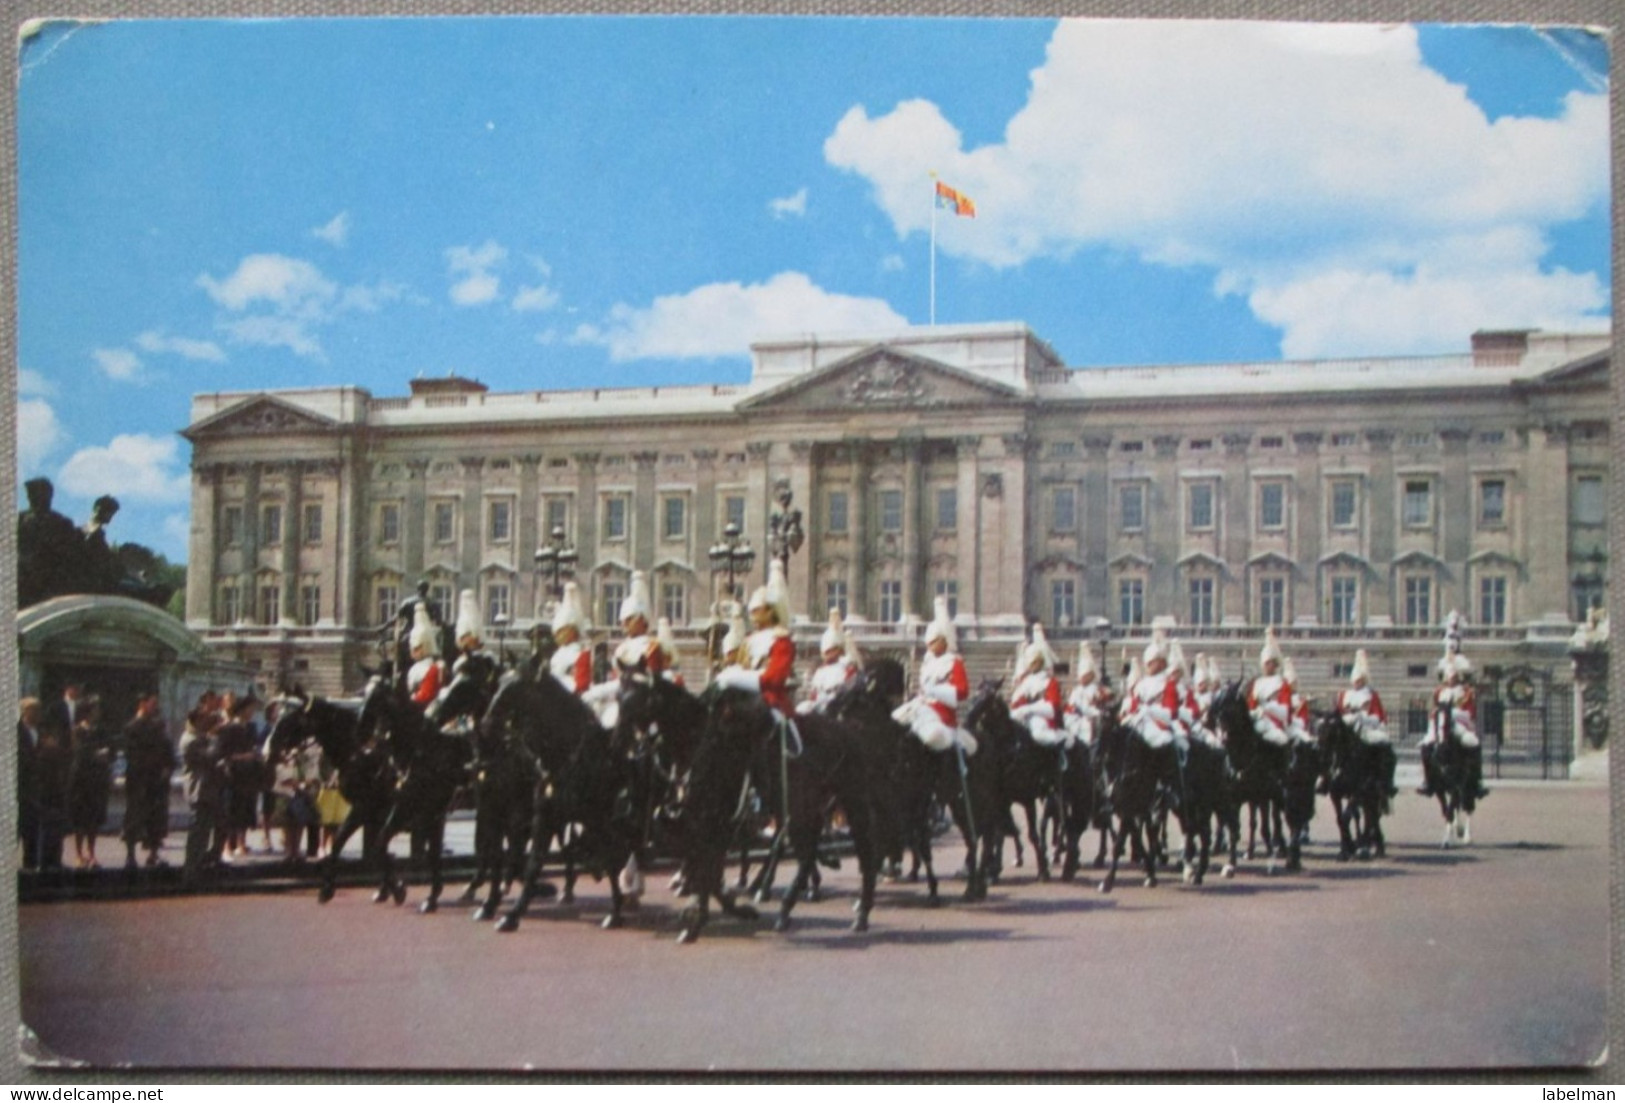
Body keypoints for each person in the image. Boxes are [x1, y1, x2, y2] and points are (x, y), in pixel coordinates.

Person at [713, 560, 797, 716]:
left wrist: (737, 678)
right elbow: (742, 666)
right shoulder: (749, 641)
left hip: (772, 702)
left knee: (781, 724)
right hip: (744, 698)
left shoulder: (782, 640)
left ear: (770, 611)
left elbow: (774, 679)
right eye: (752, 610)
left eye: (757, 610)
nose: (752, 614)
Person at [1418, 614, 1489, 800]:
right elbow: (1433, 709)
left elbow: (1470, 712)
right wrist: (1437, 716)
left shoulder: (1466, 691)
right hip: (1440, 725)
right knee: (1426, 746)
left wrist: (1455, 714)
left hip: (1459, 726)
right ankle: (1428, 780)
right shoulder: (1439, 691)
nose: (1451, 679)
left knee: (1474, 744)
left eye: (1454, 677)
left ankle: (1477, 780)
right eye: (1449, 677)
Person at [892, 596, 974, 755]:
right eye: (929, 643)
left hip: (942, 714)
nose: (930, 647)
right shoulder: (928, 664)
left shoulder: (954, 662)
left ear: (944, 641)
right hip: (921, 707)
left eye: (934, 642)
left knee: (931, 736)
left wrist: (934, 691)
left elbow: (962, 691)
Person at [1122, 629, 1186, 804]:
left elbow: (1171, 712)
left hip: (1160, 725)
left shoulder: (1169, 684)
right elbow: (1134, 707)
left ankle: (1167, 785)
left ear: (1162, 663)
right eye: (1149, 662)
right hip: (1140, 724)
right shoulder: (1141, 685)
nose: (1150, 665)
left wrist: (1149, 711)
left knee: (1164, 742)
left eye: (1154, 662)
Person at [120, 694, 175, 869]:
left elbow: (168, 749)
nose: (155, 708)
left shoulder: (157, 726)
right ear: (142, 704)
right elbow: (131, 754)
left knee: (155, 818)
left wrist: (167, 767)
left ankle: (153, 853)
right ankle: (130, 856)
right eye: (152, 704)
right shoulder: (131, 727)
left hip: (156, 781)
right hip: (139, 779)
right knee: (134, 817)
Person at [1337, 649, 1398, 798]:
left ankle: (1386, 781)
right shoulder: (1345, 695)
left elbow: (1378, 717)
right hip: (1347, 729)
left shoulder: (1371, 695)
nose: (1357, 683)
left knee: (1385, 747)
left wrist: (1361, 717)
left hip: (1367, 729)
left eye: (1360, 681)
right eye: (1355, 681)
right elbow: (1339, 713)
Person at [179, 696, 226, 884]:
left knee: (209, 830)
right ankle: (191, 871)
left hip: (207, 789)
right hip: (198, 790)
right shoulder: (190, 740)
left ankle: (201, 865)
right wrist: (214, 737)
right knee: (198, 833)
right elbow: (210, 757)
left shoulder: (199, 737)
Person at [18, 697, 68, 871]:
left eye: (39, 710)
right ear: (25, 712)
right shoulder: (16, 731)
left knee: (31, 829)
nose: (38, 714)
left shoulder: (41, 732)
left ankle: (30, 865)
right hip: (21, 786)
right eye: (34, 710)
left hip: (38, 787)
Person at [17, 477, 84, 608]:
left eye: (36, 493)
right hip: (23, 579)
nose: (31, 498)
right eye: (30, 494)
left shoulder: (62, 523)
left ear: (48, 495)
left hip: (50, 583)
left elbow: (71, 556)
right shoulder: (20, 519)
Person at [215, 694, 264, 862]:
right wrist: (245, 756)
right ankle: (228, 845)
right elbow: (223, 754)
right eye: (249, 709)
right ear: (242, 710)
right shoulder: (229, 729)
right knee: (231, 810)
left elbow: (255, 746)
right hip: (233, 775)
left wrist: (256, 756)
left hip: (248, 775)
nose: (252, 712)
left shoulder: (250, 728)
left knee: (245, 808)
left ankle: (242, 842)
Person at [66, 699, 112, 869]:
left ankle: (91, 853)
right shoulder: (77, 730)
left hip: (97, 780)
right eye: (94, 710)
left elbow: (110, 748)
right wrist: (96, 754)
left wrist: (105, 753)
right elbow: (79, 751)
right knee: (80, 820)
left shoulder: (102, 730)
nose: (97, 713)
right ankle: (79, 854)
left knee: (93, 820)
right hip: (81, 779)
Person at [1009, 622, 1065, 748]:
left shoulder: (1050, 682)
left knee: (1038, 735)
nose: (1031, 666)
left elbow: (1051, 709)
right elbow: (1015, 703)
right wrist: (1015, 711)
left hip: (1043, 721)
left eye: (1034, 663)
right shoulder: (1026, 681)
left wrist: (1028, 709)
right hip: (1025, 720)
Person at [798, 608, 860, 716]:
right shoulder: (820, 671)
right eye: (825, 652)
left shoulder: (847, 669)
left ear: (839, 650)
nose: (826, 655)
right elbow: (814, 695)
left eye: (829, 651)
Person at [1247, 627, 1294, 747]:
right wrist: (1256, 712)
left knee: (1282, 740)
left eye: (1271, 663)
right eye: (1266, 663)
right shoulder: (1256, 684)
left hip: (1275, 723)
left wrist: (1267, 707)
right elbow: (1250, 706)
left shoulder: (1282, 684)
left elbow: (1284, 711)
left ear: (1275, 665)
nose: (1268, 666)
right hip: (1258, 721)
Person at [546, 582, 593, 695]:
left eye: (562, 631)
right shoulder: (556, 655)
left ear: (572, 631)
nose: (558, 636)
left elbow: (581, 684)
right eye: (557, 633)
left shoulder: (581, 654)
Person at [1063, 642, 1111, 748]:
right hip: (1076, 719)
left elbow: (1102, 703)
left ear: (1091, 675)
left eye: (1085, 676)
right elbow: (1070, 707)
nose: (1082, 678)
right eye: (1081, 676)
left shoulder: (1096, 689)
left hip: (1091, 719)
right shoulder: (1076, 691)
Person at [405, 601, 444, 710]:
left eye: (416, 649)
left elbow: (426, 695)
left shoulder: (432, 669)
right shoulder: (415, 667)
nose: (412, 652)